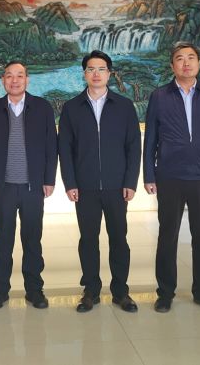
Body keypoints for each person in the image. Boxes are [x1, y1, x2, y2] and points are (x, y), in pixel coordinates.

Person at [143, 41, 200, 313]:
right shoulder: (159, 96)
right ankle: (165, 293)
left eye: (191, 57)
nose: (186, 63)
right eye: (180, 58)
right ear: (172, 66)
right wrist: (149, 174)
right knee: (167, 236)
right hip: (169, 175)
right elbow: (151, 139)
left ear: (199, 64)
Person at [58, 50, 141, 313]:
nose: (96, 74)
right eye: (91, 69)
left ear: (109, 73)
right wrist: (70, 183)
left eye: (101, 69)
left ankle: (121, 291)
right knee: (88, 240)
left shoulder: (124, 106)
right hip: (85, 187)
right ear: (84, 74)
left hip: (117, 186)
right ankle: (91, 291)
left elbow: (133, 147)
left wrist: (130, 181)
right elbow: (65, 149)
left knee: (119, 239)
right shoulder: (72, 108)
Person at [0, 61, 57, 310]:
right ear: (3, 80)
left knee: (32, 238)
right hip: (3, 186)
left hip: (33, 186)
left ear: (27, 80)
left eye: (20, 76)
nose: (15, 80)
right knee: (4, 240)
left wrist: (49, 179)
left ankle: (34, 290)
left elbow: (51, 146)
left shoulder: (42, 107)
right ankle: (0, 290)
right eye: (10, 76)